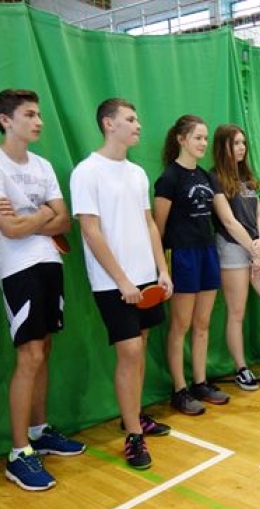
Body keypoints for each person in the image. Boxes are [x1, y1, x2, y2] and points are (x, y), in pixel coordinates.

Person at [0, 89, 84, 491]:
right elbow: (10, 230)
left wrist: (29, 218)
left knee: (45, 348)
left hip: (50, 263)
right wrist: (43, 214)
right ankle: (18, 453)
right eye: (30, 115)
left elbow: (64, 221)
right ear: (6, 120)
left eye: (39, 114)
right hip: (17, 269)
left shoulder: (43, 165)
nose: (39, 122)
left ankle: (38, 431)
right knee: (30, 353)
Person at [70, 98, 173, 470]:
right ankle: (133, 436)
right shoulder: (86, 172)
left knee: (140, 347)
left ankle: (135, 415)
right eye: (130, 119)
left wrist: (162, 269)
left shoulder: (138, 173)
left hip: (146, 276)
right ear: (108, 124)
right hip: (113, 282)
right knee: (129, 351)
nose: (138, 125)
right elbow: (90, 231)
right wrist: (122, 280)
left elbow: (149, 224)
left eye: (138, 118)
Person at [153, 115, 230, 414]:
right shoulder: (169, 178)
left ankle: (200, 382)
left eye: (205, 138)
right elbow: (158, 227)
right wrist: (160, 265)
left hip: (207, 252)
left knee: (202, 323)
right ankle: (179, 389)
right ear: (181, 139)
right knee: (180, 325)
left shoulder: (207, 177)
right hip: (182, 255)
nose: (203, 143)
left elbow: (225, 218)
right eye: (198, 137)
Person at [209, 124, 260, 391]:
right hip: (232, 249)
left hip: (258, 247)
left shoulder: (247, 177)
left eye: (243, 142)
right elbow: (228, 221)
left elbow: (258, 214)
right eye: (235, 143)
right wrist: (253, 250)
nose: (241, 148)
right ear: (222, 147)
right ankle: (241, 368)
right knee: (237, 312)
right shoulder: (215, 178)